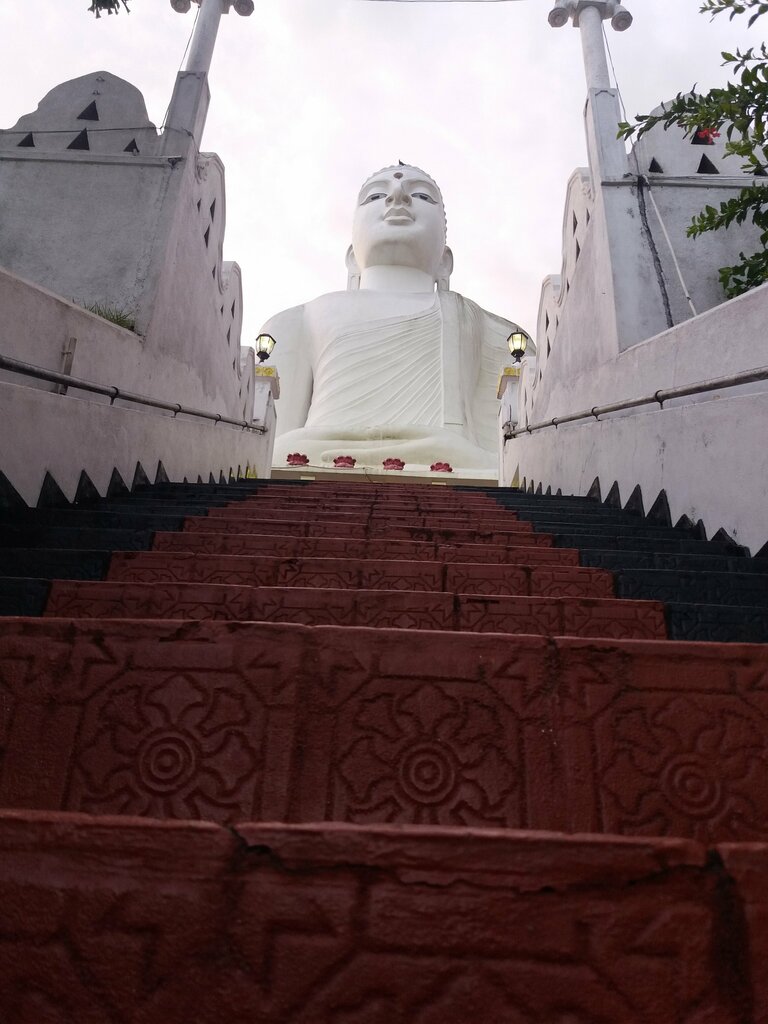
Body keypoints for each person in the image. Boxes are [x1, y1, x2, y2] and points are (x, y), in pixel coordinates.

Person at [263, 164, 529, 477]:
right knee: (282, 450)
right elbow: (273, 435)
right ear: (352, 257)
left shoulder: (495, 331)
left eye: (421, 196)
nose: (397, 196)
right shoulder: (298, 320)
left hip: (450, 456)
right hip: (312, 451)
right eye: (375, 195)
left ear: (445, 261)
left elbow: (501, 440)